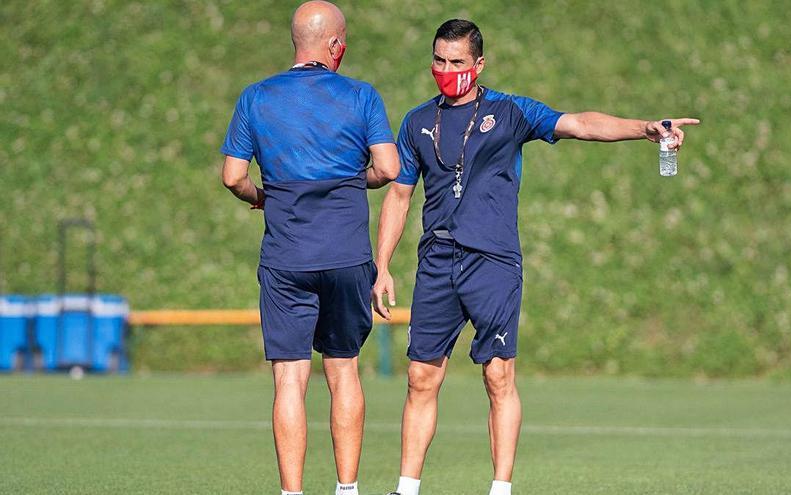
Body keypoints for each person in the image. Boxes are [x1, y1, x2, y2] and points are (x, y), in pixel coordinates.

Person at [372, 19, 699, 495]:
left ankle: (500, 488)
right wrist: (382, 264)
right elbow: (399, 196)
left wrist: (643, 129)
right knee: (421, 377)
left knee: (498, 374)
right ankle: (406, 488)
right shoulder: (418, 120)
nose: (447, 70)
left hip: (494, 262)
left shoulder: (510, 112)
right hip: (437, 259)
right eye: (440, 62)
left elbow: (580, 123)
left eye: (458, 62)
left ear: (479, 64)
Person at [220, 2, 400, 495]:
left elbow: (232, 176)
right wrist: (350, 181)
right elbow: (387, 168)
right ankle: (347, 489)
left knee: (290, 381)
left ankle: (292, 493)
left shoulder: (256, 97)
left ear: (296, 42)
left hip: (286, 259)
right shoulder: (362, 96)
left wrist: (261, 196)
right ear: (336, 45)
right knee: (344, 372)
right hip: (346, 256)